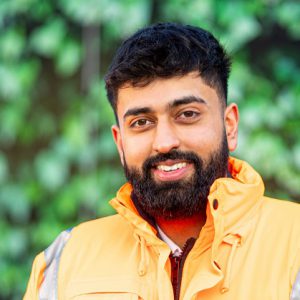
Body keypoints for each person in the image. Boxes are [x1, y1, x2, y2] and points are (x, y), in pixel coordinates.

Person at [24, 23, 300, 300]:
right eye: (141, 122)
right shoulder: (66, 260)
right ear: (120, 142)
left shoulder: (294, 244)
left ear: (230, 126)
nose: (165, 142)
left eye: (187, 114)